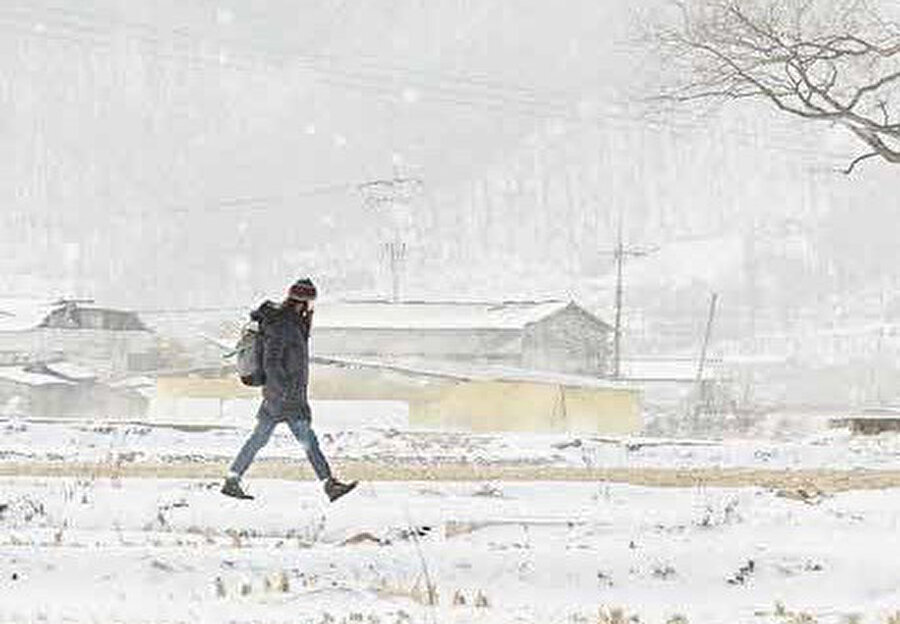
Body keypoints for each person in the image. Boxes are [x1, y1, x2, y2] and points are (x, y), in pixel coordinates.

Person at [222, 278, 357, 502]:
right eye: (311, 302)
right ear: (302, 302)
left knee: (260, 439)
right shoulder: (283, 325)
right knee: (307, 440)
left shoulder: (291, 323)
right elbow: (272, 361)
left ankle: (232, 479)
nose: (312, 307)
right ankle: (329, 484)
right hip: (285, 396)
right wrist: (284, 391)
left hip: (280, 394)